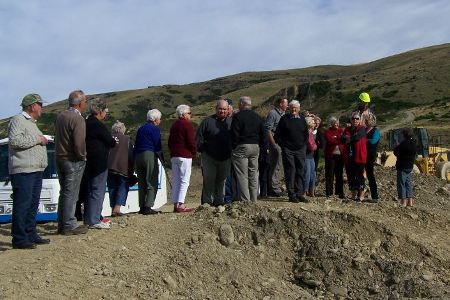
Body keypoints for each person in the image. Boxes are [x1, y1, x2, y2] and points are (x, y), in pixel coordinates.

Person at [8, 94, 49, 249]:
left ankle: (30, 234)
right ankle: (19, 239)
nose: (42, 108)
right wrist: (39, 139)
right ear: (32, 106)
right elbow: (15, 141)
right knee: (22, 204)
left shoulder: (32, 123)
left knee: (32, 204)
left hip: (35, 170)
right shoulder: (18, 120)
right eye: (40, 104)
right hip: (23, 170)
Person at [55, 90, 89, 235]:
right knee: (71, 193)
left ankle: (62, 224)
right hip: (72, 159)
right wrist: (83, 156)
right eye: (85, 101)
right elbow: (79, 142)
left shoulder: (61, 116)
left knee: (64, 192)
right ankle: (69, 224)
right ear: (81, 103)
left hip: (59, 157)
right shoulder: (78, 119)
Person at [83, 99, 117, 229]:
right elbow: (110, 141)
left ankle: (89, 218)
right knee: (98, 190)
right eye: (105, 111)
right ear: (100, 111)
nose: (106, 113)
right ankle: (94, 219)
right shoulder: (98, 124)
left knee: (90, 190)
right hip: (99, 162)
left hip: (88, 161)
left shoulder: (86, 123)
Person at [196, 100, 232, 206]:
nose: (222, 111)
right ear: (216, 109)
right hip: (209, 157)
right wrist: (202, 150)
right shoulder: (207, 121)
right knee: (209, 179)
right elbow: (199, 137)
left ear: (228, 110)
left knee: (222, 180)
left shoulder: (231, 122)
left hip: (226, 157)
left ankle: (219, 201)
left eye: (224, 109)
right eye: (220, 109)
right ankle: (207, 202)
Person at [230, 96, 265, 202]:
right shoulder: (257, 116)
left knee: (242, 175)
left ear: (241, 104)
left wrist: (233, 146)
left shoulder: (238, 116)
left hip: (242, 146)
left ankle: (245, 201)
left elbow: (234, 133)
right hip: (255, 147)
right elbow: (263, 133)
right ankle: (254, 199)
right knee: (253, 174)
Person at [275, 100, 309, 203]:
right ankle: (291, 194)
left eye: (296, 108)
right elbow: (277, 135)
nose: (294, 109)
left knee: (300, 171)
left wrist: (304, 145)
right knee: (290, 171)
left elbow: (306, 134)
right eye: (292, 107)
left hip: (300, 149)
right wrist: (284, 146)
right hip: (288, 150)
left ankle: (299, 194)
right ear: (289, 108)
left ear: (299, 109)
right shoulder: (284, 119)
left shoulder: (302, 119)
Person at [168, 105, 196, 212]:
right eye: (189, 113)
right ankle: (181, 204)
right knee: (184, 180)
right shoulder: (187, 124)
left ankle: (175, 203)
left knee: (176, 180)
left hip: (174, 156)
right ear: (184, 114)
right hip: (185, 155)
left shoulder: (174, 125)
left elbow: (170, 142)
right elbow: (191, 141)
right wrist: (193, 152)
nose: (190, 115)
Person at [134, 109, 163, 215]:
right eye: (159, 118)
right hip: (149, 154)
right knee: (151, 179)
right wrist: (162, 158)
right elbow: (157, 145)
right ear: (155, 119)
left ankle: (142, 206)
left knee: (141, 182)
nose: (160, 121)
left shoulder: (141, 128)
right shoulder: (155, 129)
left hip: (138, 155)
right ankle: (148, 206)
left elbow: (136, 144)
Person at [107, 121, 134, 216]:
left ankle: (112, 208)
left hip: (109, 167)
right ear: (123, 130)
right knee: (122, 186)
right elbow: (131, 155)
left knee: (112, 188)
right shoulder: (127, 139)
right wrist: (132, 169)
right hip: (123, 167)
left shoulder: (108, 138)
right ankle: (117, 208)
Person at [264, 97, 288, 197]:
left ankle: (276, 187)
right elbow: (268, 129)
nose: (287, 105)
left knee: (279, 166)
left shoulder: (283, 115)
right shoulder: (273, 114)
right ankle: (274, 189)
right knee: (275, 165)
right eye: (286, 103)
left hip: (281, 143)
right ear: (280, 104)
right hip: (275, 143)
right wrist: (273, 145)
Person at [342, 112, 367, 201]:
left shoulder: (362, 128)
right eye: (353, 118)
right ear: (351, 120)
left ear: (359, 120)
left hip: (359, 156)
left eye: (357, 118)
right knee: (351, 176)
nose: (355, 120)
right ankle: (353, 195)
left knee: (359, 176)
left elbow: (358, 137)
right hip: (349, 157)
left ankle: (361, 195)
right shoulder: (347, 129)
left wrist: (349, 138)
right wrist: (350, 138)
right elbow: (342, 138)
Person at [394, 128, 417, 207]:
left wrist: (397, 146)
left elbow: (396, 153)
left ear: (404, 135)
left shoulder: (403, 144)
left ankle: (403, 202)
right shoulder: (413, 143)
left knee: (401, 184)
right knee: (408, 183)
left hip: (402, 166)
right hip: (410, 166)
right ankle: (410, 202)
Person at [324, 116, 346, 199]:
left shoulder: (341, 131)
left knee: (339, 174)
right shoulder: (327, 131)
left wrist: (337, 138)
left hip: (340, 156)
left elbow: (344, 139)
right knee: (330, 174)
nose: (337, 124)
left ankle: (339, 192)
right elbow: (330, 140)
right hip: (331, 156)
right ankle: (329, 192)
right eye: (335, 122)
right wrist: (339, 139)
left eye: (338, 122)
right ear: (331, 123)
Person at [365, 114, 380, 202]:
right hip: (363, 154)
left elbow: (374, 141)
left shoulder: (376, 131)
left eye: (368, 120)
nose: (366, 121)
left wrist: (363, 141)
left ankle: (375, 196)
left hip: (370, 155)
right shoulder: (364, 130)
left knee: (370, 175)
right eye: (366, 120)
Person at [304, 116, 317, 197]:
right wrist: (315, 146)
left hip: (311, 156)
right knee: (307, 174)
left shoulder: (311, 132)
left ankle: (311, 191)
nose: (314, 123)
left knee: (313, 174)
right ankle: (304, 191)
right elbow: (312, 146)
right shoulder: (307, 132)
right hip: (306, 156)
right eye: (313, 121)